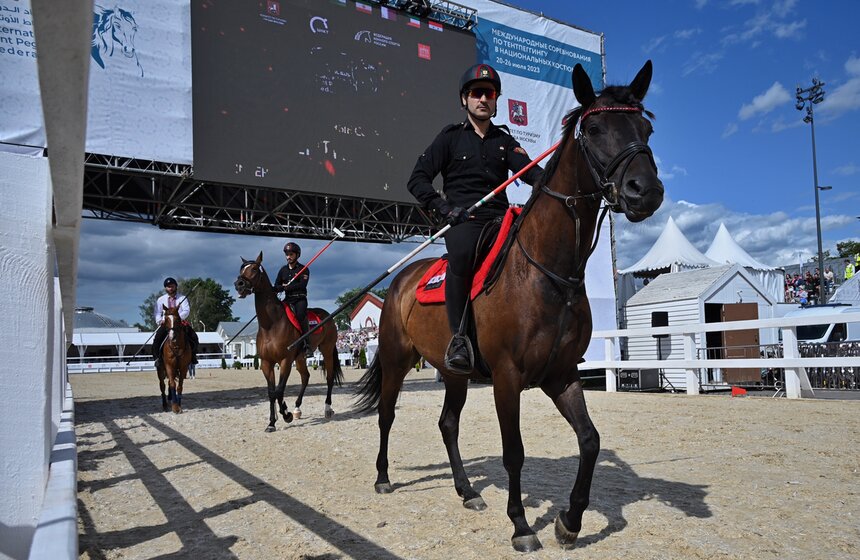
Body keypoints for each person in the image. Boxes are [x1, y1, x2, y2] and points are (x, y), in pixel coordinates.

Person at [407, 63, 544, 373]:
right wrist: (444, 208)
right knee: (463, 253)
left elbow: (532, 172)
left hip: (501, 219)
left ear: (496, 100)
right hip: (463, 221)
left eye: (490, 93)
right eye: (477, 93)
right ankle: (458, 340)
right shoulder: (449, 138)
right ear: (464, 99)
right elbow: (417, 180)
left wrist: (554, 178)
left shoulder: (505, 142)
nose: (483, 98)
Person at [274, 241, 313, 357]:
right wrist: (281, 288)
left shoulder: (304, 269)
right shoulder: (283, 270)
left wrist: (287, 287)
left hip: (299, 299)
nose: (288, 257)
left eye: (291, 254)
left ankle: (307, 345)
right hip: (287, 300)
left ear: (297, 255)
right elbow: (276, 286)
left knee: (300, 315)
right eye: (287, 254)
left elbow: (302, 285)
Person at [152, 277, 198, 369]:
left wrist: (176, 318)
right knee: (157, 340)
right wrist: (160, 321)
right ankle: (157, 359)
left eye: (172, 286)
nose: (170, 288)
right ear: (166, 288)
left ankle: (193, 357)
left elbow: (186, 310)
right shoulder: (160, 300)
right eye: (168, 287)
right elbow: (157, 312)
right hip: (166, 324)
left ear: (176, 286)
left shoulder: (182, 298)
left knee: (194, 337)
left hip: (180, 323)